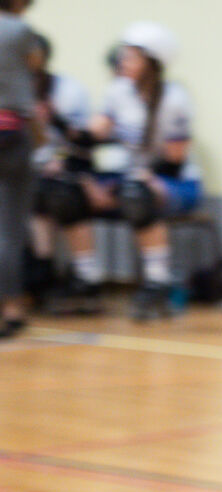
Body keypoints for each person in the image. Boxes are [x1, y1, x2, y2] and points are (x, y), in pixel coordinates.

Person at [78, 21, 203, 319]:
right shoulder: (118, 91)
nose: (123, 62)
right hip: (133, 177)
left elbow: (174, 162)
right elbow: (89, 137)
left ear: (152, 63)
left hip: (179, 183)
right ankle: (86, 280)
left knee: (136, 194)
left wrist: (133, 182)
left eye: (131, 57)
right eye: (123, 55)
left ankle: (158, 281)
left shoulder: (174, 98)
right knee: (64, 191)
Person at [26, 31, 96, 312]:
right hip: (26, 170)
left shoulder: (68, 90)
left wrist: (54, 119)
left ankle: (85, 278)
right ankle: (39, 271)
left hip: (70, 167)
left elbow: (84, 145)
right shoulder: (11, 90)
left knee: (56, 192)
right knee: (30, 189)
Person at [0, 0, 35, 337]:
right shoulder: (19, 30)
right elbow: (34, 68)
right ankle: (10, 308)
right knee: (9, 228)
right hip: (10, 131)